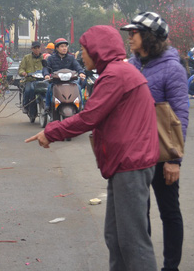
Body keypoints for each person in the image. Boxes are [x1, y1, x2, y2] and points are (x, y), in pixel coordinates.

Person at [25, 25, 159, 271]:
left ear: (98, 51)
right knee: (116, 237)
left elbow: (89, 117)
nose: (81, 55)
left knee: (133, 242)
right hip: (124, 164)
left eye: (85, 50)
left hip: (131, 164)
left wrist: (51, 131)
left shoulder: (116, 75)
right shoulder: (116, 72)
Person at [121, 11, 189, 271]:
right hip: (135, 153)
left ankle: (171, 267)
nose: (130, 37)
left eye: (134, 33)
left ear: (149, 37)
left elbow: (180, 115)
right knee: (140, 215)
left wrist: (175, 159)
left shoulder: (172, 68)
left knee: (169, 212)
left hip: (162, 154)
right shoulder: (132, 64)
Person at [43, 38, 86, 111]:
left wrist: (81, 73)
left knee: (78, 87)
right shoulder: (51, 58)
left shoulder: (71, 58)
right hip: (56, 81)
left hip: (70, 81)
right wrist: (46, 74)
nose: (64, 48)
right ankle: (47, 105)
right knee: (50, 88)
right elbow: (46, 68)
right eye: (62, 46)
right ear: (57, 48)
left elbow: (77, 66)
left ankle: (81, 105)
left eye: (65, 46)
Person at [18, 41, 44, 116]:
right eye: (35, 48)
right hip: (30, 80)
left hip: (42, 80)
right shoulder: (26, 58)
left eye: (38, 48)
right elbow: (21, 69)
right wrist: (24, 73)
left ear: (40, 48)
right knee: (28, 90)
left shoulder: (44, 57)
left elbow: (48, 67)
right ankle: (25, 106)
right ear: (32, 49)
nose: (36, 50)